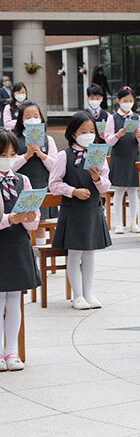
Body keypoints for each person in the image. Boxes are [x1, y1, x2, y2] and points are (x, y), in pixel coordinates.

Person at [49, 111, 112, 310]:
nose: (88, 134)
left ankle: (89, 293)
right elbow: (54, 184)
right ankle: (77, 296)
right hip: (73, 210)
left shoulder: (99, 156)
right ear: (73, 134)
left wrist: (96, 179)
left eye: (92, 130)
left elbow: (106, 187)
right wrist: (73, 191)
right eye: (83, 131)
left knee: (90, 253)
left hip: (93, 208)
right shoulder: (63, 155)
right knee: (75, 254)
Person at [0, 128, 41, 371]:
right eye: (4, 154)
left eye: (13, 153)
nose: (9, 158)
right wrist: (10, 219)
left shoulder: (22, 180)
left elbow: (33, 223)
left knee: (14, 299)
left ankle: (11, 351)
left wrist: (27, 217)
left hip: (18, 244)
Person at [13, 100, 58, 247]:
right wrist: (26, 156)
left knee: (41, 224)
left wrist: (41, 155)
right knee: (23, 224)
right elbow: (9, 166)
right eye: (28, 116)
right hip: (20, 188)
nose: (32, 119)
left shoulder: (48, 140)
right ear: (22, 119)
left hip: (42, 186)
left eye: (35, 115)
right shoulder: (14, 139)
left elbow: (55, 167)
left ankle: (39, 261)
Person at [104, 86, 140, 234]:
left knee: (134, 190)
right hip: (119, 157)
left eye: (130, 101)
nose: (128, 103)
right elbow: (108, 140)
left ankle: (133, 223)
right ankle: (118, 224)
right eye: (125, 100)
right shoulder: (113, 118)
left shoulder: (137, 118)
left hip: (134, 157)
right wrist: (117, 135)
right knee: (119, 190)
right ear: (118, 101)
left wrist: (138, 134)